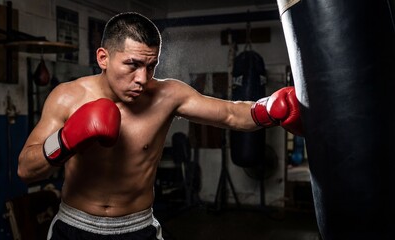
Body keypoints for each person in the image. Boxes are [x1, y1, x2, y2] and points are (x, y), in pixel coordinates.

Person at [17, 12, 302, 240]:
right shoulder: (67, 97)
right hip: (74, 226)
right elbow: (26, 169)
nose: (142, 78)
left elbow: (229, 114)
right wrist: (66, 139)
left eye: (151, 66)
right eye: (132, 64)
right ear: (103, 57)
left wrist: (268, 110)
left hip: (137, 228)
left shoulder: (167, 95)